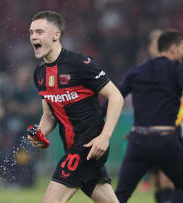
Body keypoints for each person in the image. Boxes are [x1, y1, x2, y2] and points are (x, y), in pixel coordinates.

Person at [28, 11, 124, 203]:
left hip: (89, 145)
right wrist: (39, 133)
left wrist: (105, 137)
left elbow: (116, 97)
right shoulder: (40, 74)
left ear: (56, 35)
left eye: (39, 32)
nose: (33, 37)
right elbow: (49, 116)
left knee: (51, 201)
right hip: (72, 147)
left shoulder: (81, 64)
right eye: (31, 33)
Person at [114, 30, 183, 203]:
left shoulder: (137, 71)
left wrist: (97, 120)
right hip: (165, 139)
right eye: (182, 48)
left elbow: (115, 97)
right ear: (172, 49)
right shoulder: (177, 69)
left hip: (138, 139)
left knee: (120, 195)